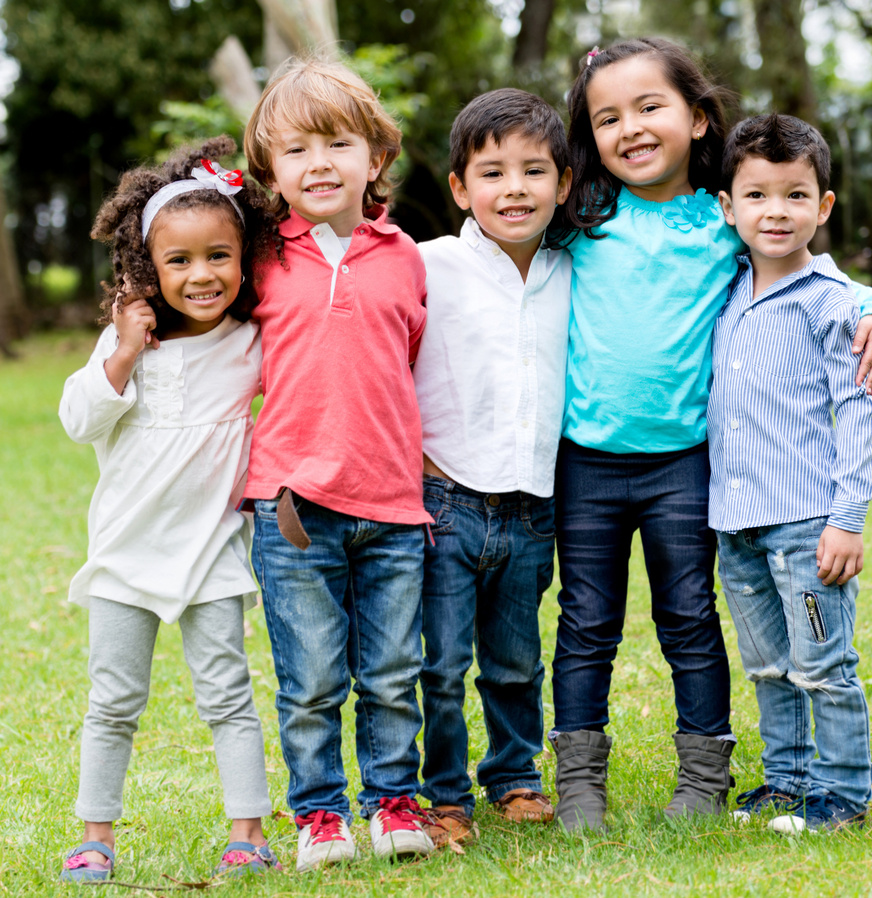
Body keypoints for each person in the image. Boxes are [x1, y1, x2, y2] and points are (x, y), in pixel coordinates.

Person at [545, 38, 872, 831]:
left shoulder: (723, 221)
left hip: (686, 466)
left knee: (690, 618)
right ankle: (577, 784)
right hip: (587, 466)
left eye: (650, 107)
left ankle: (705, 775)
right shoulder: (580, 219)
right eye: (608, 117)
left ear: (698, 118)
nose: (630, 128)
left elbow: (811, 269)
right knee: (585, 619)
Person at [58, 137, 279, 881]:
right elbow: (78, 421)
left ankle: (247, 832)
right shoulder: (127, 346)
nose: (201, 274)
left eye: (218, 255)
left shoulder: (251, 344)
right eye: (178, 261)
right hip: (125, 552)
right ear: (145, 268)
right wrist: (122, 351)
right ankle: (96, 835)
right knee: (113, 699)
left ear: (244, 259)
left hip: (211, 549)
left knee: (228, 695)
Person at [241, 58, 434, 868]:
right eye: (296, 151)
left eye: (337, 144)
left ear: (375, 157)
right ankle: (319, 815)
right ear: (271, 172)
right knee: (312, 677)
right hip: (293, 507)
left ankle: (391, 801)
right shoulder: (259, 261)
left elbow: (412, 360)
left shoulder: (404, 256)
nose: (319, 163)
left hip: (392, 503)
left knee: (393, 671)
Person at [712, 113, 872, 833]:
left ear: (824, 205)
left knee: (822, 664)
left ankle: (841, 793)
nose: (775, 212)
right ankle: (785, 779)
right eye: (756, 195)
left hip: (805, 523)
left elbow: (860, 412)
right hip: (735, 525)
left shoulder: (834, 303)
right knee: (768, 665)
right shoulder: (720, 291)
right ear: (728, 206)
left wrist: (846, 519)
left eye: (794, 195)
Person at [412, 88, 572, 846]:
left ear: (564, 183)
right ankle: (442, 793)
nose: (515, 189)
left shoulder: (573, 272)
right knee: (439, 664)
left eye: (534, 171)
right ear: (458, 187)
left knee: (515, 658)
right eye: (493, 172)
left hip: (533, 503)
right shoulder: (427, 266)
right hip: (444, 497)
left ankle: (513, 775)